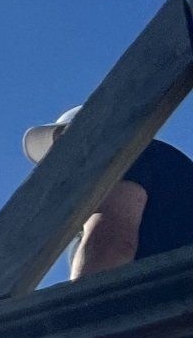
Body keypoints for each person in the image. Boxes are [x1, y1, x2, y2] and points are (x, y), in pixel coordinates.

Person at [23, 108, 193, 277]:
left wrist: (84, 300)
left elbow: (111, 244)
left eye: (65, 144)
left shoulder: (121, 154)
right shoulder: (159, 164)